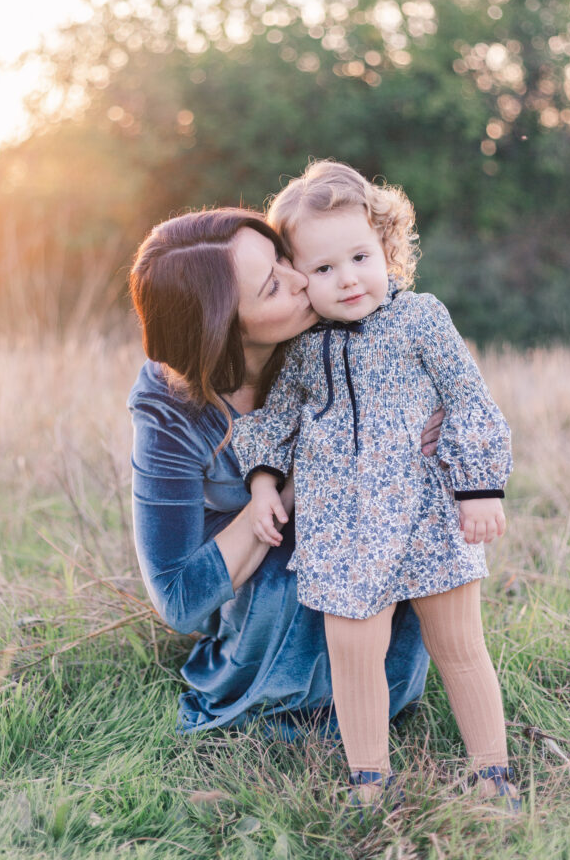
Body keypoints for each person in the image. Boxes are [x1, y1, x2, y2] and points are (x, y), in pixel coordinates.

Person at [232, 160, 520, 809]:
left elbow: (468, 398)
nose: (348, 279)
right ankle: (369, 778)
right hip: (340, 529)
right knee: (353, 655)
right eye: (323, 269)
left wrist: (478, 490)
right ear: (298, 278)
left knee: (460, 646)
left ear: (385, 247)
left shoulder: (420, 319)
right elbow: (271, 422)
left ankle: (491, 772)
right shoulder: (303, 350)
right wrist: (261, 485)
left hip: (425, 515)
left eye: (359, 256)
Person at [128, 207, 441, 739]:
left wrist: (430, 436)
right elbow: (178, 599)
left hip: (370, 564)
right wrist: (289, 485)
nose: (303, 280)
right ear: (222, 332)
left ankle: (384, 689)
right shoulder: (170, 407)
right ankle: (293, 701)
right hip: (261, 602)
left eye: (281, 256)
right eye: (273, 287)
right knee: (292, 558)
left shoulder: (344, 333)